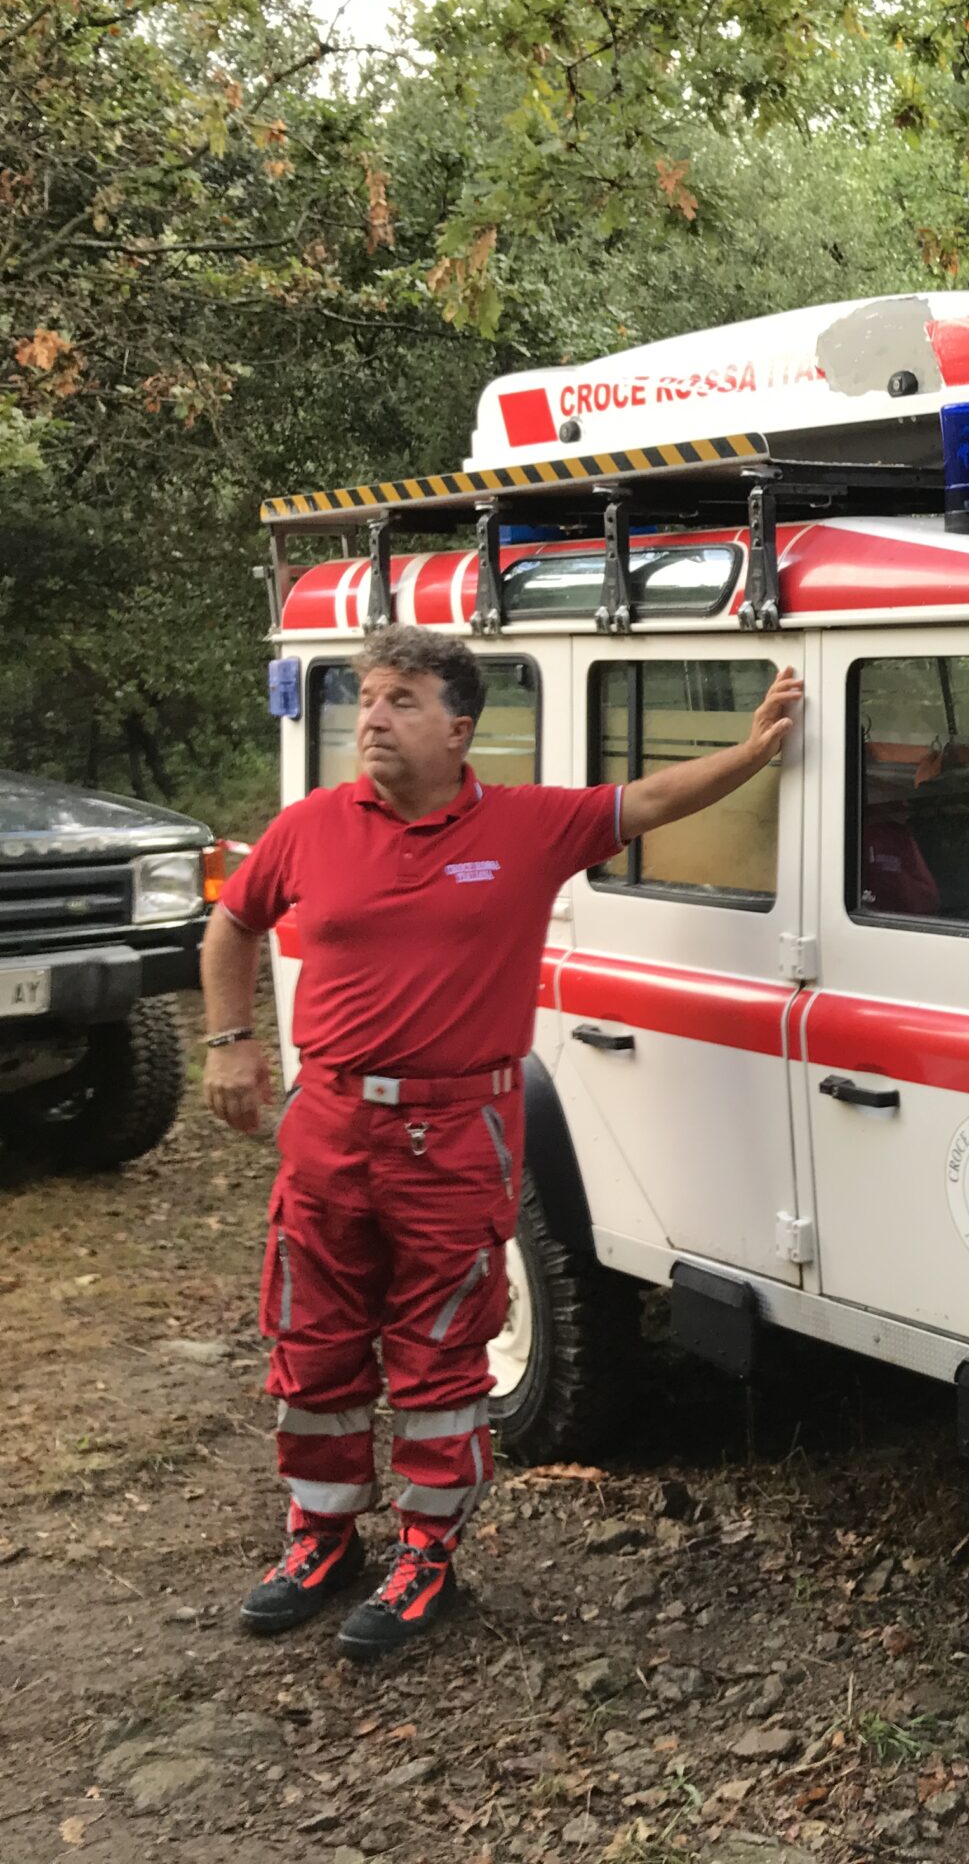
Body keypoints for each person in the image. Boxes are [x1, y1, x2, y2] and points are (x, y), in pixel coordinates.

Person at [201, 627, 801, 1659]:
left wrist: (751, 755)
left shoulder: (527, 827)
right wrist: (230, 1043)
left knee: (441, 1352)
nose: (373, 719)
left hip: (456, 1132)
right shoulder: (308, 828)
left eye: (398, 701)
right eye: (367, 702)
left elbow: (647, 802)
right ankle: (320, 1538)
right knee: (316, 1342)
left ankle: (427, 1556)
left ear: (458, 727)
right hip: (330, 1124)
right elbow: (230, 926)